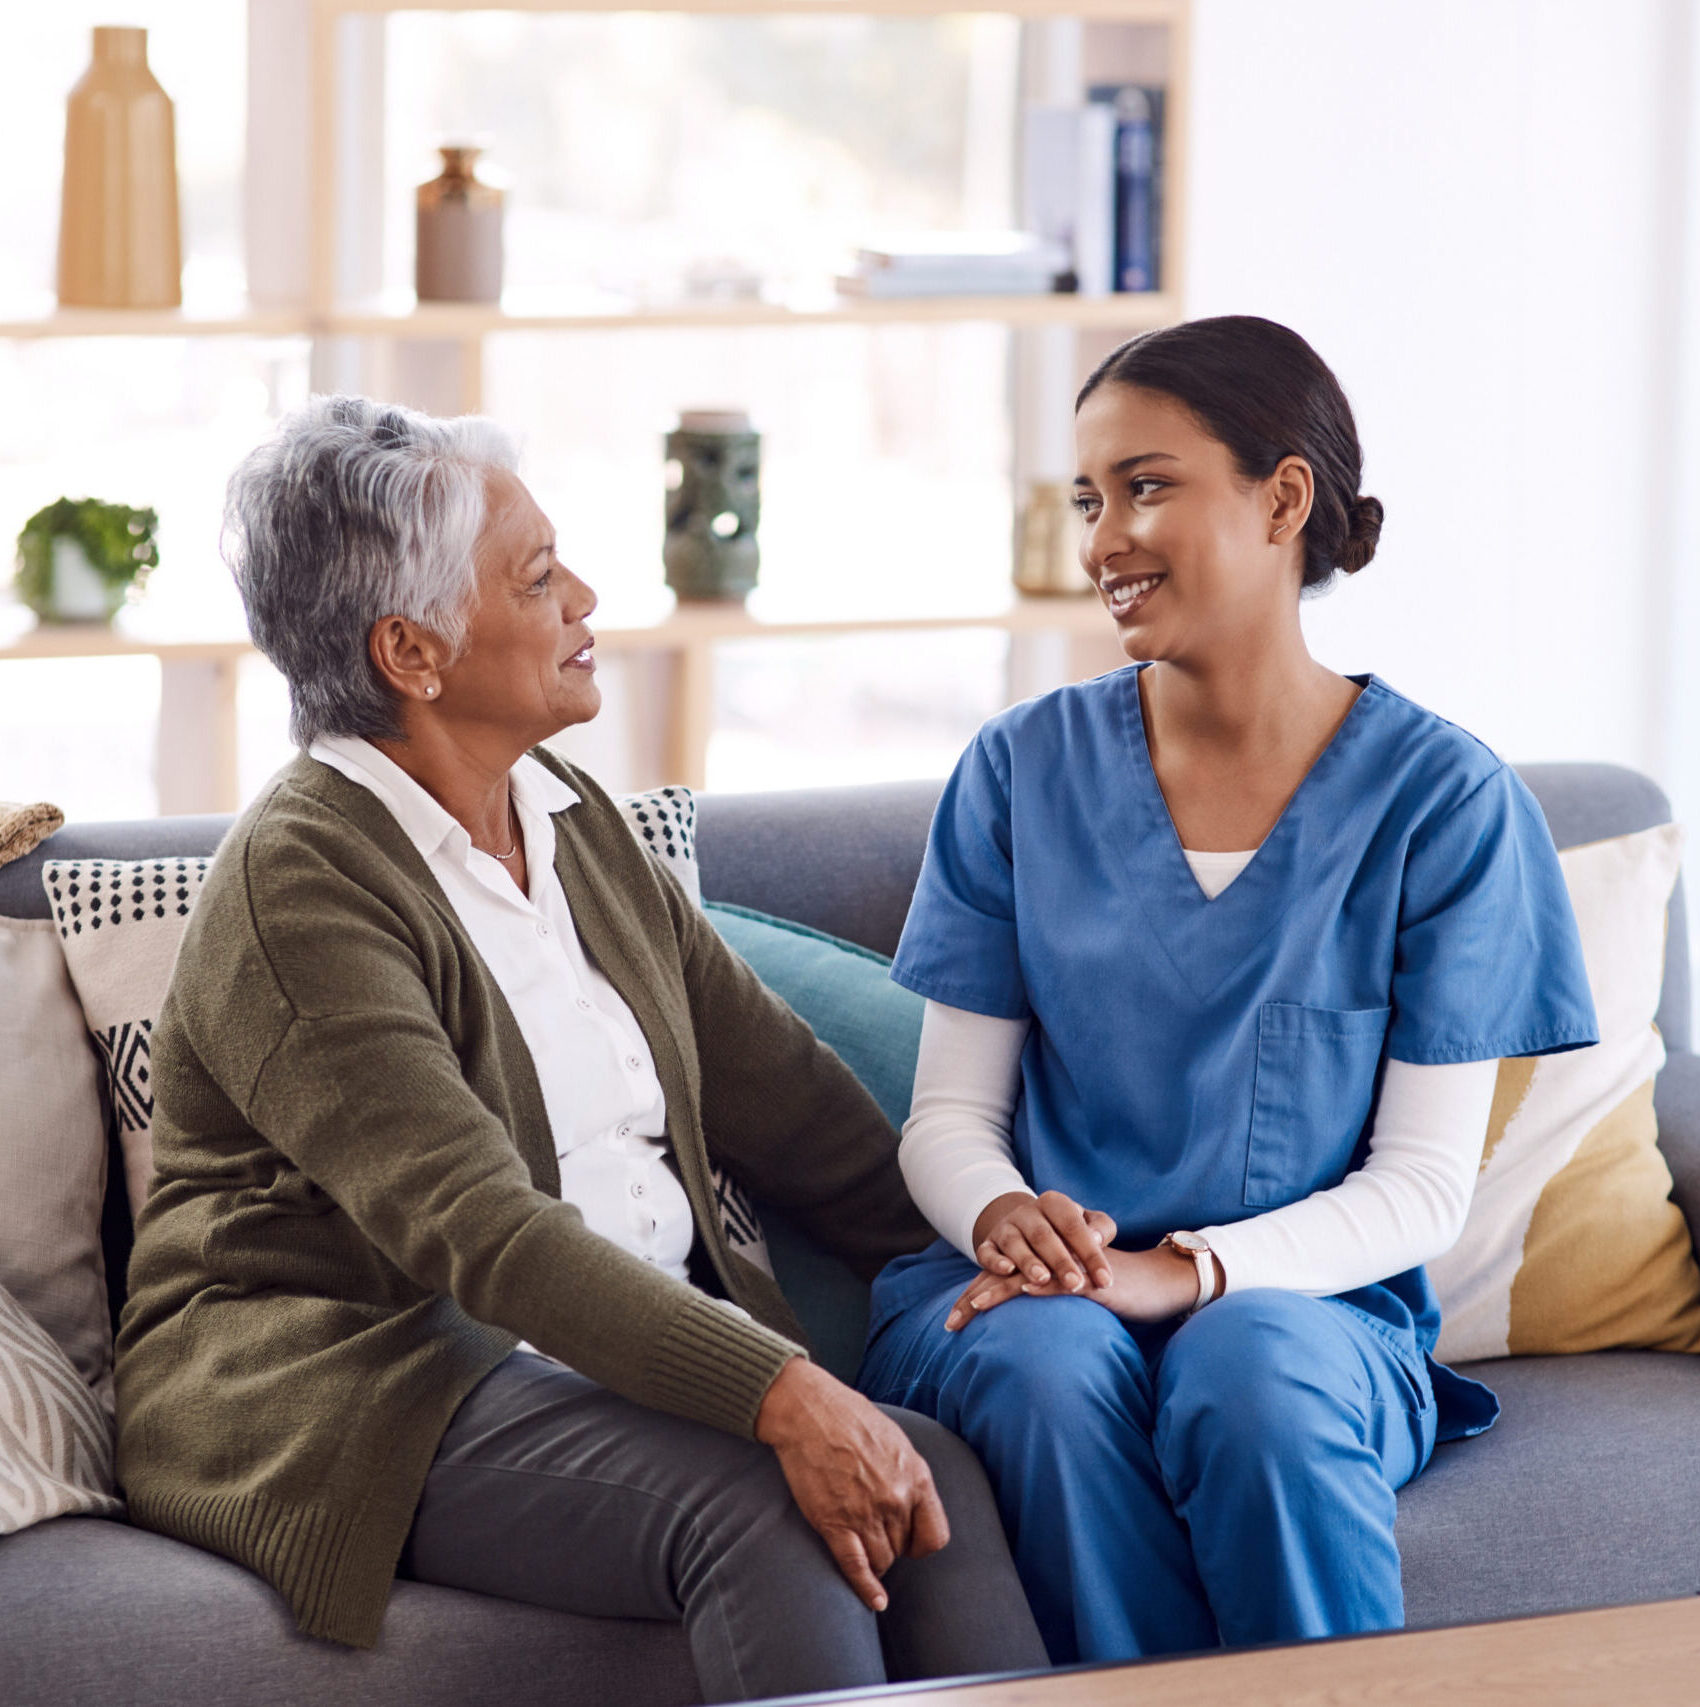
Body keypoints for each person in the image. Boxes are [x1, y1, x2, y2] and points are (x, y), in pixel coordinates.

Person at [112, 395, 1045, 1702]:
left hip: (566, 1362)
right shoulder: (301, 885)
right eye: (539, 577)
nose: (587, 597)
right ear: (412, 650)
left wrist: (1005, 1241)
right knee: (766, 1501)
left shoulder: (575, 823)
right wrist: (781, 1392)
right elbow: (480, 1231)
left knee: (933, 1469)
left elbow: (791, 1106)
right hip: (361, 1377)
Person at [855, 315, 1599, 1666]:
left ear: (1283, 497)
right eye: (1089, 500)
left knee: (1251, 1371)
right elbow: (948, 1117)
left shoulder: (1447, 804)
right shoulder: (1019, 771)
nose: (1103, 541)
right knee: (1045, 1364)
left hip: (1308, 1313)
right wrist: (1008, 1215)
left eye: (1147, 487)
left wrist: (1186, 1272)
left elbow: (1425, 1186)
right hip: (1044, 1301)